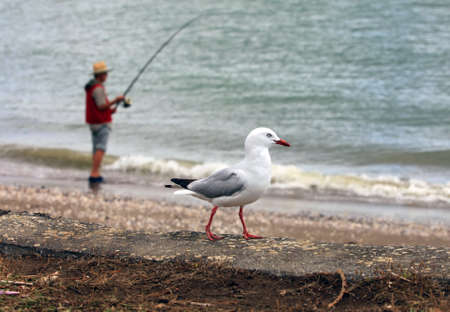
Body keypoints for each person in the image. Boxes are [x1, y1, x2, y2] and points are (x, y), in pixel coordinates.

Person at [85, 61, 124, 184]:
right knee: (100, 148)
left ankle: (95, 172)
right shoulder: (98, 88)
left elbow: (98, 107)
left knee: (96, 148)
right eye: (105, 73)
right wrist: (116, 100)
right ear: (100, 75)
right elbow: (101, 106)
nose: (107, 75)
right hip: (101, 123)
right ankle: (95, 173)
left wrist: (110, 111)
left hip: (94, 121)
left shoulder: (91, 87)